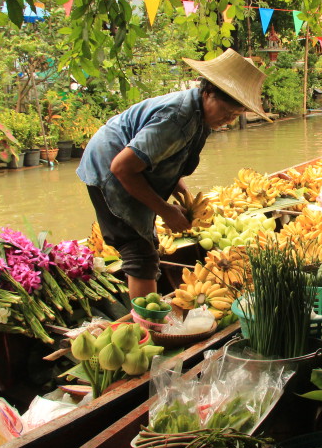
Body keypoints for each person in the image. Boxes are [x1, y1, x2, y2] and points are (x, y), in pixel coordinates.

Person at [76, 49, 268, 299]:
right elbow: (122, 167)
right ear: (207, 92)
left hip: (128, 165)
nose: (228, 120)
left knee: (147, 244)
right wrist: (165, 210)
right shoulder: (177, 119)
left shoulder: (202, 117)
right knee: (139, 251)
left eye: (235, 116)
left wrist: (185, 197)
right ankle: (148, 326)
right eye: (226, 112)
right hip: (109, 165)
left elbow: (167, 161)